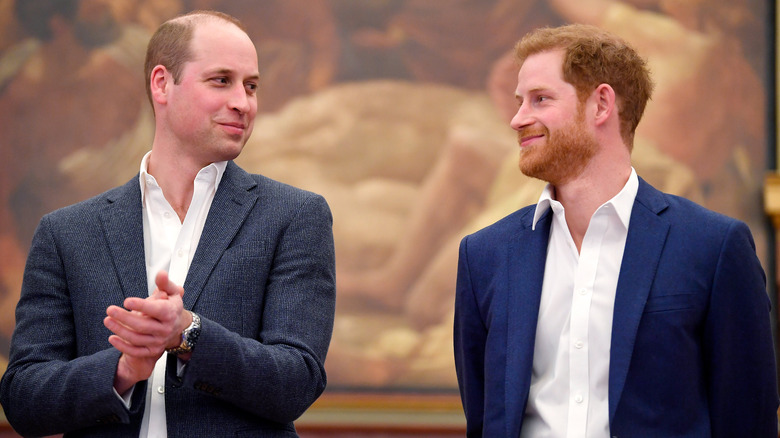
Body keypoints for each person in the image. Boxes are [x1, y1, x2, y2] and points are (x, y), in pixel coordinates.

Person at [0, 9, 335, 437]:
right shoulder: (67, 232)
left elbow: (296, 382)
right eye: (221, 80)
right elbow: (24, 399)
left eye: (251, 86)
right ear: (162, 84)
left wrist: (187, 334)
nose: (243, 102)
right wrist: (121, 371)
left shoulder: (294, 216)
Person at [453, 23, 778, 437]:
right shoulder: (484, 255)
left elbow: (748, 420)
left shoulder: (713, 247)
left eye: (539, 99)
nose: (518, 119)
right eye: (520, 102)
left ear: (601, 104)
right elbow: (483, 420)